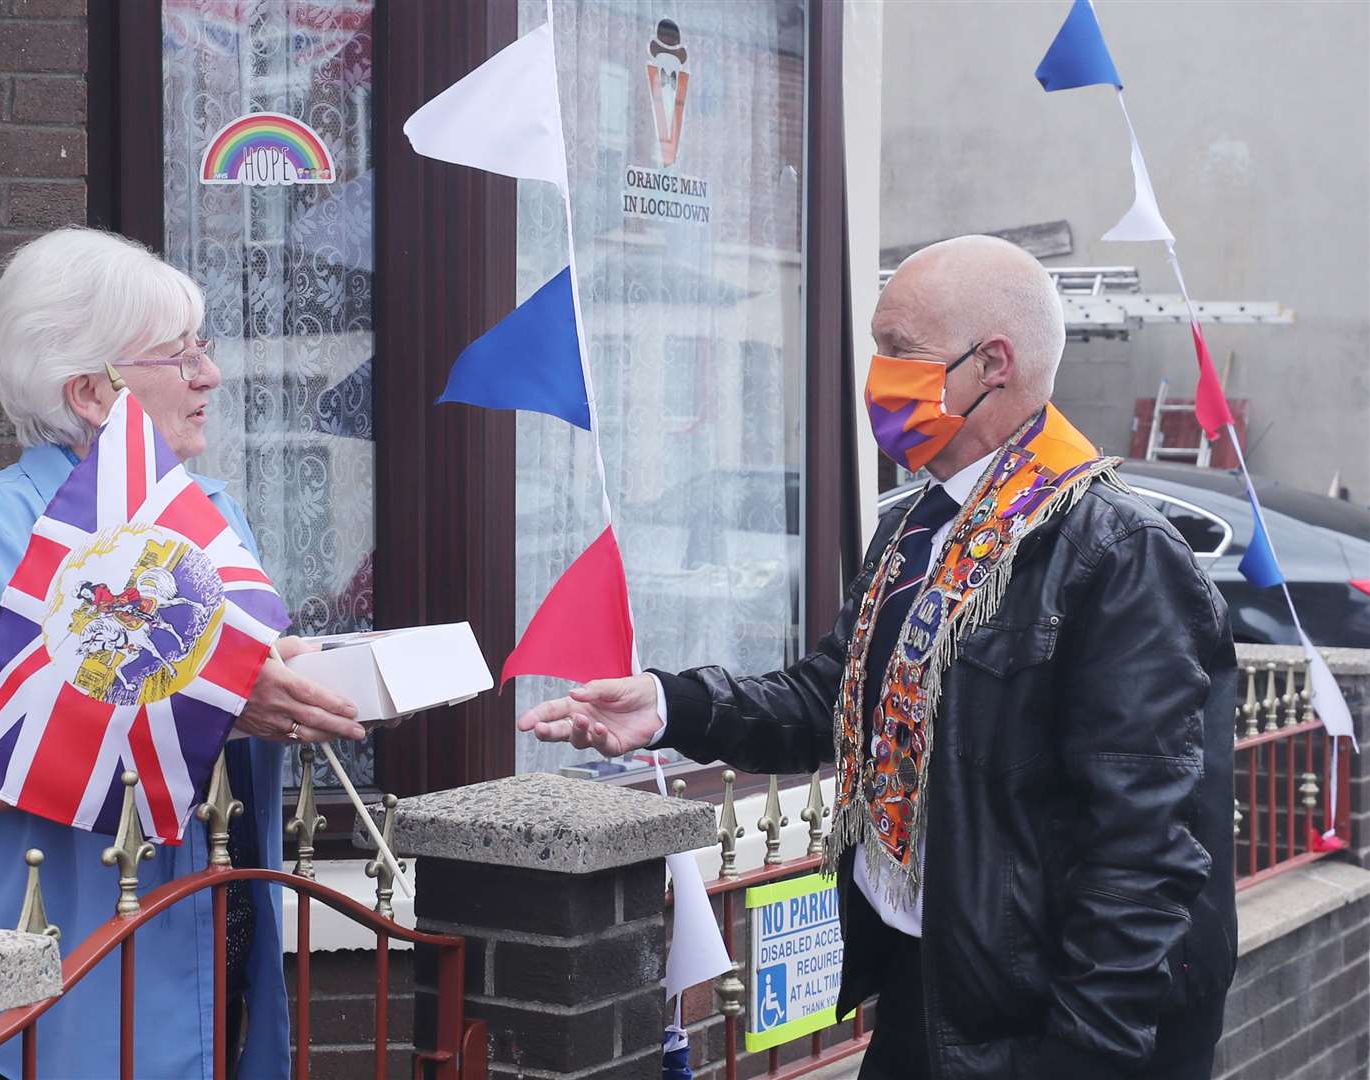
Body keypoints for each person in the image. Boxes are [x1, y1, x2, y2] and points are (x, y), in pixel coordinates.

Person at [519, 236, 1238, 1080]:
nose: (878, 375)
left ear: (992, 365)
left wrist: (1083, 1054)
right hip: (926, 982)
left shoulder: (1116, 553)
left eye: (900, 350)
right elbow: (835, 697)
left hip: (1043, 1025)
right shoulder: (915, 527)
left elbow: (1143, 847)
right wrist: (671, 707)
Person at [0, 228, 367, 1080]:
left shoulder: (209, 511)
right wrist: (225, 694)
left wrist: (313, 679)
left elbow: (238, 678)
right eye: (178, 354)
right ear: (90, 391)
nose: (210, 375)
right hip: (68, 977)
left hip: (210, 931)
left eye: (204, 347)